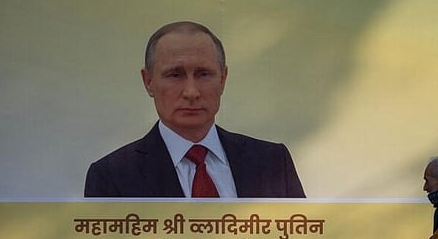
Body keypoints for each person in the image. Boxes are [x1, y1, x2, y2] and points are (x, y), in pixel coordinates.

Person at [84, 21, 305, 198]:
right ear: (148, 81)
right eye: (175, 75)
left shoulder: (272, 163)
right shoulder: (112, 176)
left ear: (223, 79)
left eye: (203, 74)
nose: (191, 91)